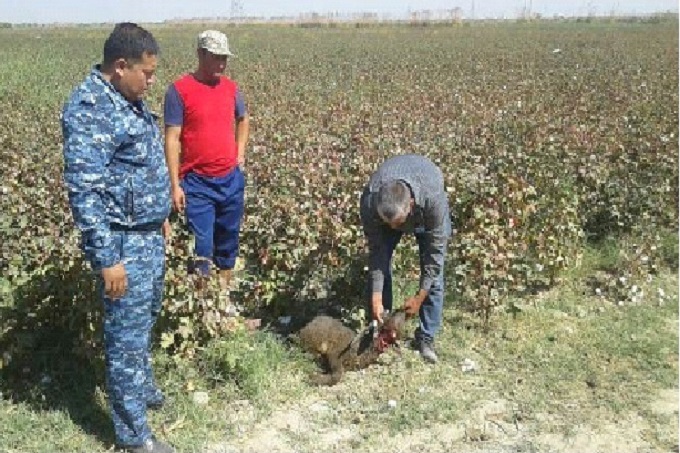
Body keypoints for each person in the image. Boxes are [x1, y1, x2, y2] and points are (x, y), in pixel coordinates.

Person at [62, 23, 174, 453]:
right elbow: (85, 192)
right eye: (146, 73)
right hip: (121, 244)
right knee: (124, 340)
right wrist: (106, 258)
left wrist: (159, 212)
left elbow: (138, 166)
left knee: (143, 321)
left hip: (146, 234)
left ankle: (140, 391)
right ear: (120, 66)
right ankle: (133, 437)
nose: (151, 81)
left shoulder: (128, 100)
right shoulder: (91, 107)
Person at [164, 30, 249, 305]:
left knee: (228, 241)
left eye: (224, 59)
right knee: (202, 246)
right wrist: (175, 184)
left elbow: (243, 119)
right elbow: (172, 137)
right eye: (216, 58)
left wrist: (240, 155)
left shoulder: (231, 89)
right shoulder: (179, 91)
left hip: (230, 180)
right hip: (197, 183)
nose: (221, 65)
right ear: (201, 54)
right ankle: (201, 305)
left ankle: (222, 300)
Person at [360, 154, 452, 364]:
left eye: (398, 222)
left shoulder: (432, 199)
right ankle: (383, 329)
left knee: (433, 277)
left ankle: (426, 338)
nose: (394, 229)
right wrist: (375, 297)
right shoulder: (369, 202)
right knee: (380, 271)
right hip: (391, 208)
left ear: (410, 204)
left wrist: (420, 297)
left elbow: (434, 257)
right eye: (389, 223)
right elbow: (377, 255)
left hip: (426, 213)